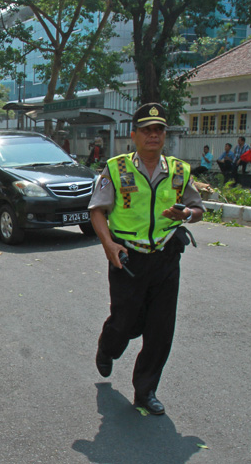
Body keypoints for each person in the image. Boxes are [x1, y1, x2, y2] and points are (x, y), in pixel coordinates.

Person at [89, 102, 204, 416]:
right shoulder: (116, 168)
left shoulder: (179, 171)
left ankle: (145, 391)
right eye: (146, 130)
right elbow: (97, 209)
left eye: (159, 130)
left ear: (164, 135)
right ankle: (107, 347)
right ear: (134, 134)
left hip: (166, 256)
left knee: (160, 328)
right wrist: (108, 245)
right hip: (127, 257)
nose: (153, 135)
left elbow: (197, 210)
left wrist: (186, 213)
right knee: (125, 321)